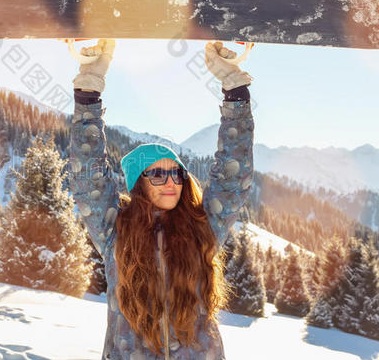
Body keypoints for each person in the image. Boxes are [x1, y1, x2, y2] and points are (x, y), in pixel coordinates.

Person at [69, 38, 254, 359]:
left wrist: (235, 90)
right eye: (157, 174)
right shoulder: (115, 233)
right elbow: (88, 174)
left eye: (176, 173)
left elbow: (232, 175)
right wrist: (88, 91)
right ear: (139, 185)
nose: (170, 182)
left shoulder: (203, 228)